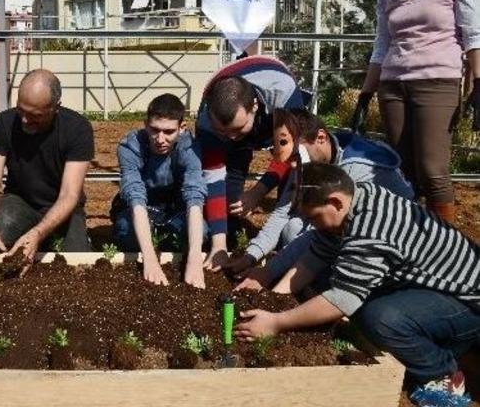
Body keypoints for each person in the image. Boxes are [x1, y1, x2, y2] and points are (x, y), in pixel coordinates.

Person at [234, 163, 479, 407]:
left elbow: (343, 299)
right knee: (332, 281)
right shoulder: (354, 200)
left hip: (468, 300)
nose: (313, 225)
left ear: (336, 202)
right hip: (431, 285)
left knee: (379, 318)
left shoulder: (372, 228)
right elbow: (314, 258)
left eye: (314, 217)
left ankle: (440, 373)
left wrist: (277, 322)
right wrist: (275, 300)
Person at [351, 0, 480, 223]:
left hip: (437, 82)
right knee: (403, 168)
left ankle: (448, 247)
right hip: (392, 87)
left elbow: (474, 34)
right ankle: (412, 236)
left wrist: (478, 81)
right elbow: (381, 47)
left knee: (433, 169)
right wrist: (366, 93)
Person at [228, 109, 414, 287]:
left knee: (299, 235)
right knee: (293, 228)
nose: (292, 166)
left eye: (296, 155)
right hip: (340, 233)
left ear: (321, 138)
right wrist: (250, 256)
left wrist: (269, 271)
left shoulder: (355, 170)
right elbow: (283, 212)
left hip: (386, 242)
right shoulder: (307, 160)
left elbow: (321, 235)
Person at [0, 69, 94, 277]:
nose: (24, 121)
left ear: (56, 108)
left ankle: (53, 238)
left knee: (77, 263)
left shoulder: (78, 129)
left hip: (62, 206)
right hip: (20, 201)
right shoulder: (3, 124)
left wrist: (37, 233)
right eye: (21, 111)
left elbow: (69, 195)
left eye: (35, 116)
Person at [195, 56, 310, 269]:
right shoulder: (207, 122)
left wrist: (258, 192)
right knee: (229, 190)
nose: (230, 137)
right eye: (224, 131)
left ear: (254, 107)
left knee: (292, 179)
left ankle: (284, 244)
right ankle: (230, 235)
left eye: (238, 129)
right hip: (237, 115)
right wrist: (219, 244)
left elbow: (290, 152)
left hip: (274, 110)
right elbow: (213, 178)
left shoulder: (283, 94)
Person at [112, 94, 208, 287]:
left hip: (175, 209)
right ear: (146, 124)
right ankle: (151, 244)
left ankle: (165, 244)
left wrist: (194, 260)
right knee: (124, 230)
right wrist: (150, 259)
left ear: (181, 128)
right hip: (141, 209)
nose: (160, 139)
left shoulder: (189, 149)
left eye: (169, 132)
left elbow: (194, 198)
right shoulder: (131, 147)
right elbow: (136, 198)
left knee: (202, 232)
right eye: (155, 130)